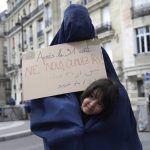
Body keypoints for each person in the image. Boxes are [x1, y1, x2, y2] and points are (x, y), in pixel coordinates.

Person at [30, 4, 142, 150]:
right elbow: (43, 101)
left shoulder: (99, 54)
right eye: (72, 27)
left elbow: (115, 91)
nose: (77, 32)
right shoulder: (49, 59)